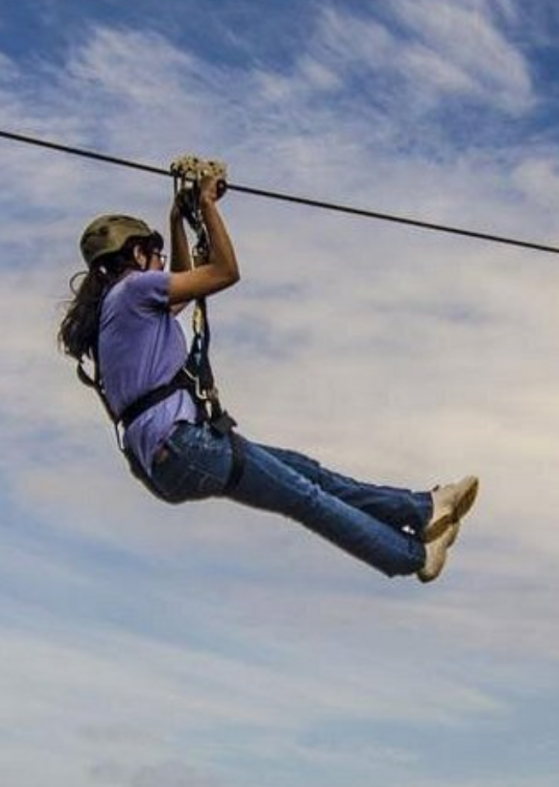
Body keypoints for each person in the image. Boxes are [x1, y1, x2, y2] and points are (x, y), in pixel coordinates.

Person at [60, 170, 477, 582]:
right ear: (137, 255)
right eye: (156, 254)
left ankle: (425, 509)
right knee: (305, 496)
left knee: (306, 473)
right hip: (185, 446)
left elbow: (186, 286)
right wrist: (206, 205)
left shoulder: (116, 314)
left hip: (169, 460)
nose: (162, 264)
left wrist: (176, 220)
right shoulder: (135, 290)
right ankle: (413, 555)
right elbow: (224, 271)